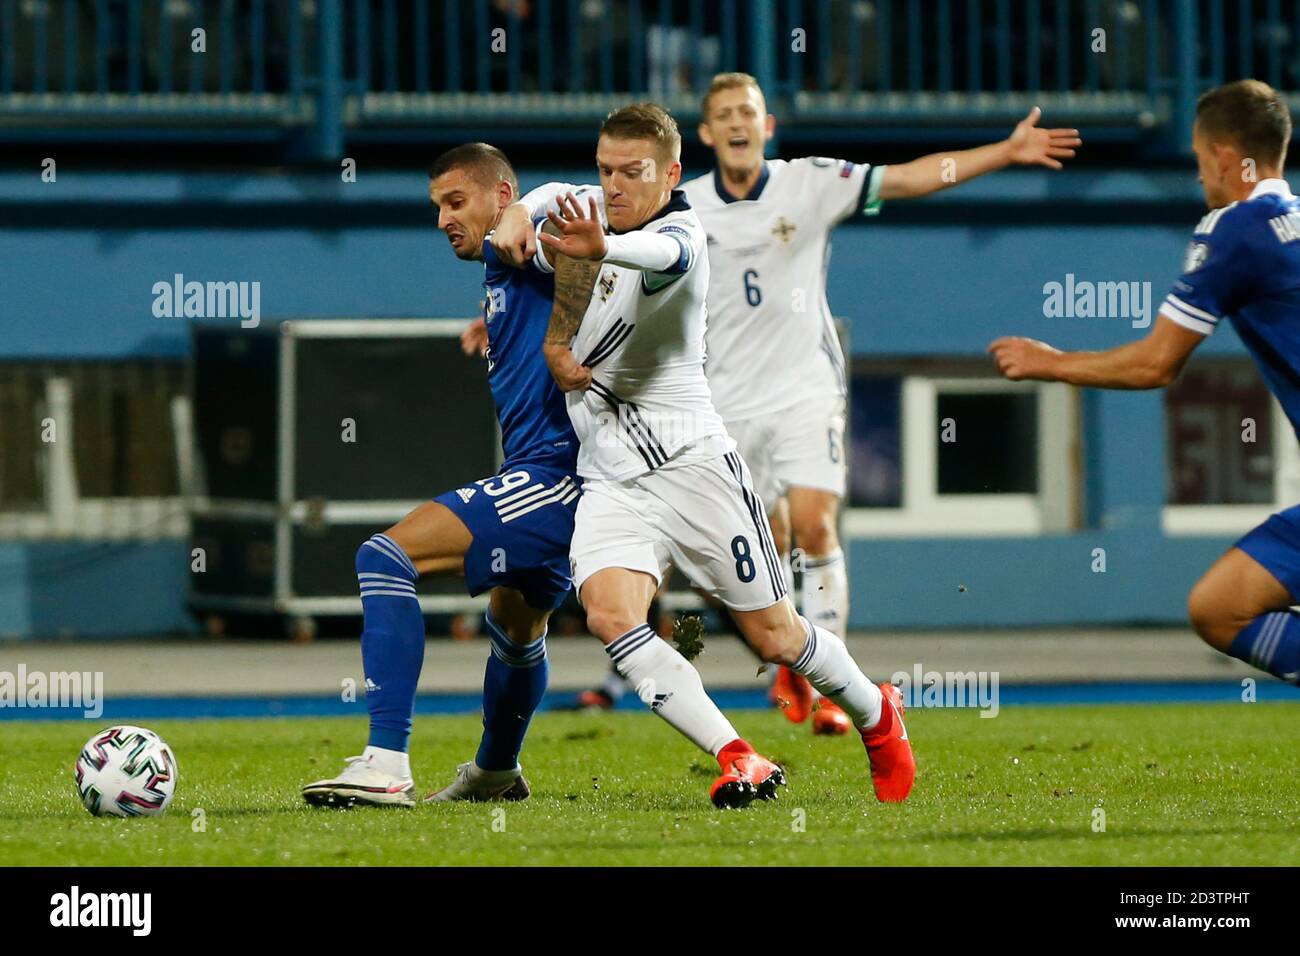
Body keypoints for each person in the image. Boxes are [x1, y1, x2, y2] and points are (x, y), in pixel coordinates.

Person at [525, 103, 915, 806]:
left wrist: (598, 249)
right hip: (611, 478)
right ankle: (741, 758)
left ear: (670, 173)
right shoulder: (585, 214)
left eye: (631, 172)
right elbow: (532, 218)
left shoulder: (679, 234)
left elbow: (655, 255)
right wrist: (507, 226)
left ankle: (875, 712)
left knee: (775, 638)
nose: (613, 185)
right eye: (604, 169)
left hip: (694, 467)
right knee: (612, 615)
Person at [301, 143, 591, 807]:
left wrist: (533, 206)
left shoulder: (531, 236)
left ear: (500, 194)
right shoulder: (503, 270)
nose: (442, 221)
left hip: (557, 478)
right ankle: (494, 772)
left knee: (384, 558)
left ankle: (384, 761)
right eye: (437, 206)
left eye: (456, 202)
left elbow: (593, 208)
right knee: (517, 629)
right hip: (554, 475)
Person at [989, 79, 1300, 689]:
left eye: (1197, 159)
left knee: (1222, 611)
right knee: (1220, 606)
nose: (1198, 177)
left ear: (1220, 155)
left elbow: (1155, 363)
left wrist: (1050, 362)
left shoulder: (1235, 229)